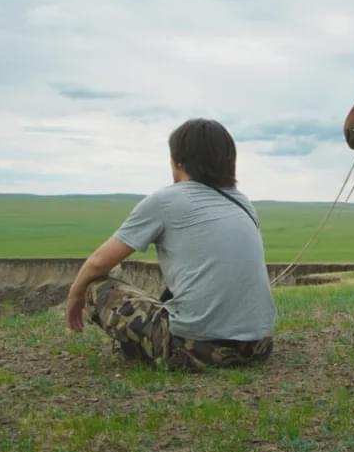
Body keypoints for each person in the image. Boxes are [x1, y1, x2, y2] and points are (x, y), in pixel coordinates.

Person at [66, 118, 276, 370]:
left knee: (97, 287)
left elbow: (99, 262)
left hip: (196, 349)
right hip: (257, 347)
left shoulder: (165, 201)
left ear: (178, 161)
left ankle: (148, 349)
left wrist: (75, 296)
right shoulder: (244, 203)